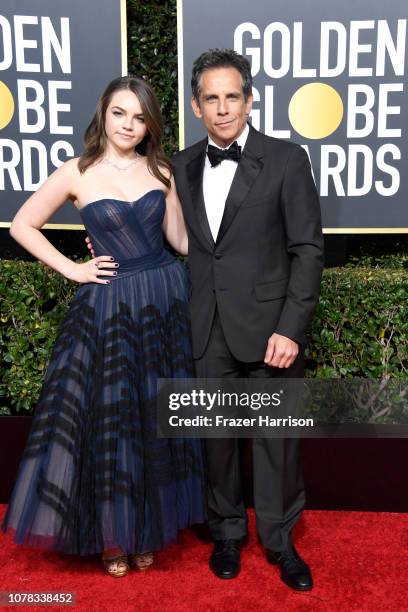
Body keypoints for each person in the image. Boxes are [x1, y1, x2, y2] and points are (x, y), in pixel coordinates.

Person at [1, 75, 206, 577]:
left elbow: (178, 241)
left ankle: (150, 528)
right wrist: (73, 268)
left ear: (149, 124)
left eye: (140, 117)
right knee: (114, 416)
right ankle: (116, 537)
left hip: (162, 297)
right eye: (120, 113)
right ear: (104, 113)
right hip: (110, 305)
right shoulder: (77, 171)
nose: (129, 125)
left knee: (154, 415)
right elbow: (23, 224)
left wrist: (182, 196)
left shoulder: (160, 168)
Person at [171, 49, 324, 591]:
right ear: (196, 106)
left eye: (232, 96)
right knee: (215, 440)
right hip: (207, 326)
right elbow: (179, 239)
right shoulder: (183, 164)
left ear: (250, 100)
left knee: (276, 443)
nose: (222, 108)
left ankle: (281, 545)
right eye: (210, 98)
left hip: (269, 332)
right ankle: (228, 533)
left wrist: (291, 328)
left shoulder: (286, 159)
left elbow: (307, 249)